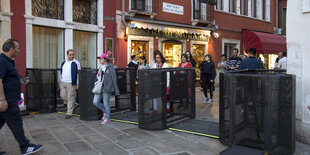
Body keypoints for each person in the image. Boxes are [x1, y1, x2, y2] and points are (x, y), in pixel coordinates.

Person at [0, 39, 43, 155]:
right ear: (11, 49)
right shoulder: (2, 61)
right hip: (7, 101)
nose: (19, 50)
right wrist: (2, 100)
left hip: (8, 100)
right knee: (16, 123)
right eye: (17, 48)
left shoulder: (8, 61)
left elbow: (10, 77)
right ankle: (25, 147)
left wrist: (21, 80)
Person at [93, 54, 120, 124]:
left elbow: (114, 78)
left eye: (101, 59)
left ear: (105, 60)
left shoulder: (110, 67)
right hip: (99, 87)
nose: (99, 60)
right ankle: (105, 112)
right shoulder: (101, 67)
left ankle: (107, 118)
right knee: (95, 102)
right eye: (99, 59)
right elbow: (98, 77)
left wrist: (115, 88)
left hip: (107, 88)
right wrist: (96, 83)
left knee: (106, 103)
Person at [60, 49, 81, 119]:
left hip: (71, 82)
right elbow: (62, 71)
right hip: (63, 82)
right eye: (70, 55)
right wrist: (60, 79)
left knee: (70, 97)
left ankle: (69, 112)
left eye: (73, 54)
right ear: (67, 55)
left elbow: (78, 74)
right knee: (62, 96)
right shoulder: (64, 62)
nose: (72, 56)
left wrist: (77, 83)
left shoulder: (76, 63)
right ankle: (75, 105)